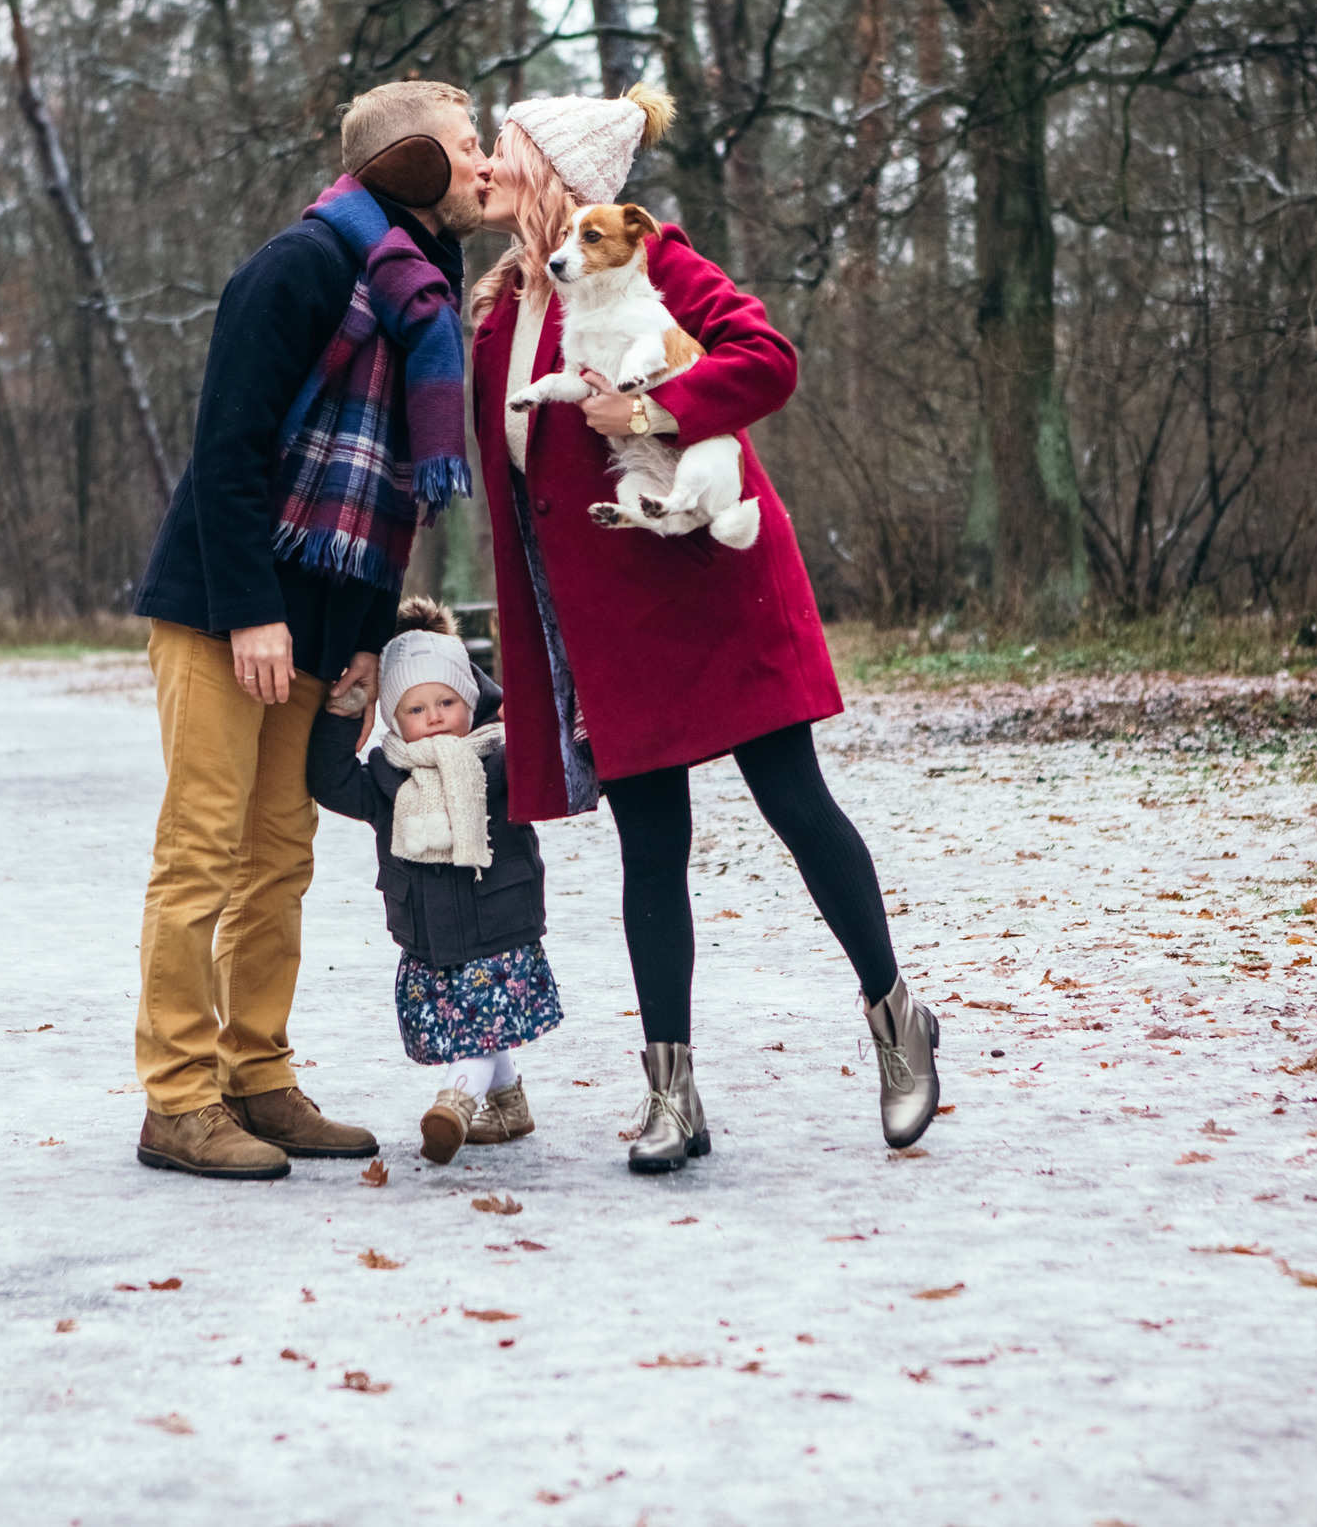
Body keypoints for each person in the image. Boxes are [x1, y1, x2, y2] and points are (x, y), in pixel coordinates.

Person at [465, 86, 940, 1174]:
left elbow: (765, 359)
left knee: (796, 807)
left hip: (711, 583)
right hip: (609, 618)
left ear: (558, 174)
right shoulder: (498, 308)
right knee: (650, 851)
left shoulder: (655, 258)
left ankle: (896, 1022)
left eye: (505, 151)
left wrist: (647, 412)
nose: (487, 169)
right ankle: (671, 1096)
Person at [128, 81, 493, 1180]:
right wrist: (250, 610)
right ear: (414, 164)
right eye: (468, 145)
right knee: (202, 851)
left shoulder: (420, 290)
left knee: (280, 858)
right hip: (221, 607)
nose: (484, 165)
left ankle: (258, 1076)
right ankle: (178, 1099)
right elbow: (229, 450)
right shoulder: (299, 268)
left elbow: (386, 494)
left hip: (324, 623)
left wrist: (368, 639)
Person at [306, 599, 560, 1166]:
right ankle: (510, 1104)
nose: (436, 715)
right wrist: (347, 709)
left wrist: (535, 708)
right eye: (417, 708)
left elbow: (559, 762)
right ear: (396, 719)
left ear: (469, 702)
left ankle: (456, 1102)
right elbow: (328, 777)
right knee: (476, 1026)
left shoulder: (503, 760)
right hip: (429, 937)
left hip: (501, 930)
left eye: (448, 701)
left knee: (476, 1030)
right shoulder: (384, 779)